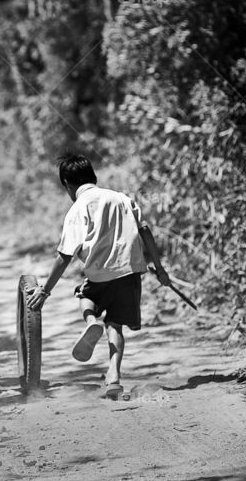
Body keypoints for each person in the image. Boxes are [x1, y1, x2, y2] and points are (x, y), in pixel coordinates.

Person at [27, 154, 169, 399]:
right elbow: (145, 232)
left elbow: (64, 256)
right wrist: (159, 267)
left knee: (85, 294)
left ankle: (91, 320)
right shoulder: (123, 199)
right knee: (115, 324)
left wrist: (45, 291)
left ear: (67, 185)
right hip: (130, 273)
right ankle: (113, 375)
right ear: (93, 177)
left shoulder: (78, 208)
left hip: (100, 274)